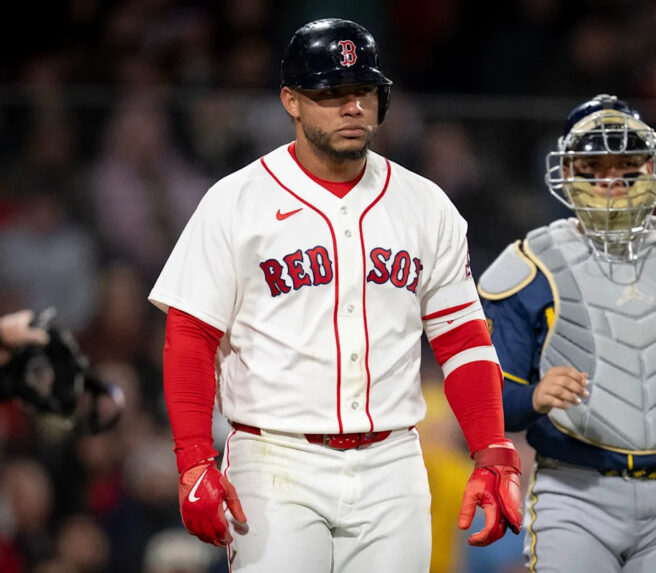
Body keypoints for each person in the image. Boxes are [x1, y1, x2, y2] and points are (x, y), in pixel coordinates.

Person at [148, 18, 522, 573]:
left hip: (393, 461)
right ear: (291, 102)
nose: (352, 107)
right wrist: (195, 458)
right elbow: (190, 336)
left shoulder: (426, 204)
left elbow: (463, 338)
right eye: (330, 94)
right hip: (276, 457)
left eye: (363, 92)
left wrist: (493, 450)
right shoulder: (236, 200)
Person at [478, 94, 656, 572]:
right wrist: (537, 395)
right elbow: (494, 400)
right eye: (593, 167)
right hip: (574, 494)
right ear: (567, 172)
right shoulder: (530, 264)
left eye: (627, 165)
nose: (610, 181)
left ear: (653, 169)